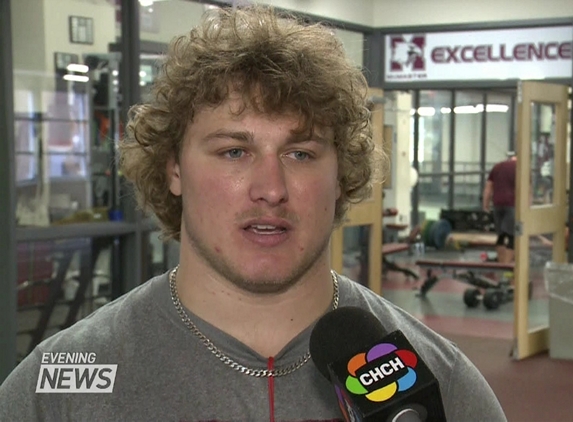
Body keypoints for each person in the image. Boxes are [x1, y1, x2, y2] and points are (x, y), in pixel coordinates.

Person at [0, 6, 506, 421]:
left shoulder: (440, 386)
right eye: (234, 152)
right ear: (174, 168)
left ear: (340, 176)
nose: (271, 190)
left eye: (301, 154)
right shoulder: (59, 390)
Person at [483, 152, 517, 265]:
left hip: (497, 204)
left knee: (501, 236)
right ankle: (507, 267)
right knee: (512, 237)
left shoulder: (497, 167)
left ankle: (501, 265)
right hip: (512, 204)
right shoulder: (519, 168)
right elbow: (528, 189)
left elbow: (488, 188)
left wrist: (485, 204)